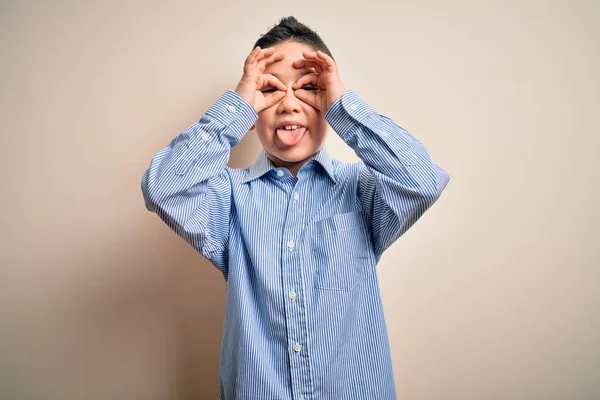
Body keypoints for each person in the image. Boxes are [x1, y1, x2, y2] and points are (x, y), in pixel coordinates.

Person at [141, 16, 450, 400]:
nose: (288, 104)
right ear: (252, 115)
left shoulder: (361, 191)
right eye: (270, 90)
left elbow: (423, 180)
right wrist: (237, 105)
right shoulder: (229, 198)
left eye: (307, 88)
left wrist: (343, 106)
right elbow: (161, 188)